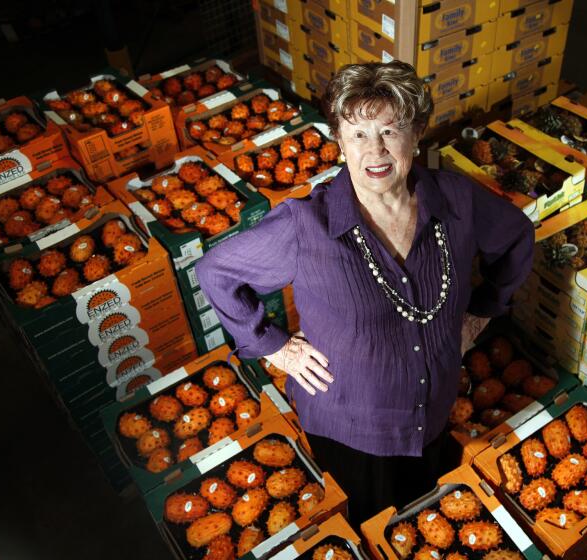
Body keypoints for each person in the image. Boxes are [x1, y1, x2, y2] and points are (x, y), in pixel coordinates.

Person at [195, 61, 534, 524]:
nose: (375, 150)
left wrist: (482, 311)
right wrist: (276, 347)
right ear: (339, 142)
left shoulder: (456, 199)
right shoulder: (305, 226)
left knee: (420, 522)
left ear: (416, 134)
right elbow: (216, 271)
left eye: (391, 131)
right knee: (365, 525)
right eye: (358, 134)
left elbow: (516, 236)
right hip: (351, 430)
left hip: (431, 415)